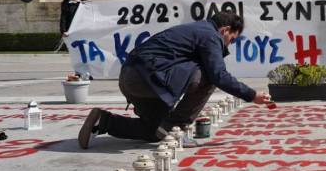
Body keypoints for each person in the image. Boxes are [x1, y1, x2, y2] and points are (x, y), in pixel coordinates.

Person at [77, 11, 274, 149]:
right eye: (232, 39)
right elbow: (219, 75)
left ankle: (104, 121)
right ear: (225, 30)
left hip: (130, 78)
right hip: (147, 79)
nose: (230, 44)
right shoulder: (211, 36)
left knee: (155, 131)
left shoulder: (197, 30)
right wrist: (251, 95)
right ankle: (176, 128)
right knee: (209, 77)